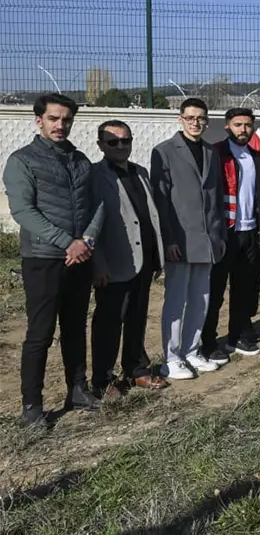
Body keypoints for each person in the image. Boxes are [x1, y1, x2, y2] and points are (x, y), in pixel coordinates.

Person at [4, 94, 105, 425]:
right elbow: (24, 211)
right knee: (40, 333)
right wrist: (68, 243)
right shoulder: (23, 161)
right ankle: (31, 406)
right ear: (39, 121)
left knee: (75, 327)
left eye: (66, 119)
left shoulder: (79, 160)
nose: (60, 125)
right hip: (44, 259)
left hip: (80, 258)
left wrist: (86, 241)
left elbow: (97, 205)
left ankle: (77, 389)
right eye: (53, 119)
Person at [150, 98, 227, 380]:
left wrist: (219, 234)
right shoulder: (165, 152)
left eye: (201, 118)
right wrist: (168, 238)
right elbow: (161, 200)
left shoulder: (210, 151)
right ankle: (171, 357)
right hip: (180, 239)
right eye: (190, 117)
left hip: (207, 239)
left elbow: (216, 197)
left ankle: (192, 351)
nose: (196, 122)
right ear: (180, 119)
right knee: (176, 300)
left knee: (201, 299)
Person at [90, 120, 167, 396]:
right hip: (113, 264)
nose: (121, 146)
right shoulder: (95, 176)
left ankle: (137, 369)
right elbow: (91, 224)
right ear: (101, 145)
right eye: (113, 142)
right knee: (109, 322)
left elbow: (149, 215)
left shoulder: (140, 172)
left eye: (125, 140)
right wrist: (97, 263)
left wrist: (157, 255)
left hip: (143, 260)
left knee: (137, 317)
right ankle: (103, 379)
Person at [204, 108, 260, 362]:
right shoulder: (215, 153)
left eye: (247, 125)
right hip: (225, 232)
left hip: (250, 231)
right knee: (216, 289)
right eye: (238, 124)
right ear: (226, 126)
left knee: (244, 289)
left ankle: (238, 335)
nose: (243, 129)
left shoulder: (256, 156)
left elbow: (258, 195)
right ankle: (208, 341)